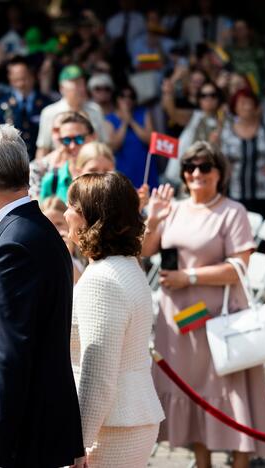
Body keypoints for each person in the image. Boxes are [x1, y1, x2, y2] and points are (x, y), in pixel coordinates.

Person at [0, 124, 84, 468]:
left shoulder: (15, 244)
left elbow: (10, 357)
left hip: (8, 442)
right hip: (28, 433)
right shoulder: (35, 230)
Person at [144, 141, 265, 468]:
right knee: (191, 390)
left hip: (218, 316)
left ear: (220, 172)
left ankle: (240, 462)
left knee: (227, 390)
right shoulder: (172, 207)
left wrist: (188, 277)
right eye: (190, 167)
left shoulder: (233, 211)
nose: (196, 173)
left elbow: (239, 268)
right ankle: (202, 462)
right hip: (178, 319)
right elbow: (146, 251)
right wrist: (154, 219)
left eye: (205, 167)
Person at [65, 172, 165, 467]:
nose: (66, 213)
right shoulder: (126, 266)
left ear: (89, 217)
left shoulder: (102, 279)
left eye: (72, 206)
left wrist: (77, 443)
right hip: (123, 420)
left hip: (110, 428)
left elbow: (98, 373)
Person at [219, 88, 265, 219]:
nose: (246, 106)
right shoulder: (227, 130)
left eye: (249, 102)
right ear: (235, 107)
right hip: (236, 191)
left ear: (255, 106)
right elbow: (221, 157)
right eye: (242, 103)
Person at [35, 65, 108, 159]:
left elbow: (105, 145)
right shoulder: (50, 112)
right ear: (62, 88)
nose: (81, 88)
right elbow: (43, 149)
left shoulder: (95, 110)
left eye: (82, 83)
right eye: (76, 84)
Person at [0, 56, 49, 159]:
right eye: (16, 80)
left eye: (24, 79)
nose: (21, 84)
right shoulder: (3, 104)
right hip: (13, 161)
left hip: (40, 159)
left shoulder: (45, 103)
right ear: (10, 80)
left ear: (33, 76)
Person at [38, 111, 96, 202]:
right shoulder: (51, 180)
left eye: (79, 139)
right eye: (66, 140)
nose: (72, 146)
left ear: (93, 137)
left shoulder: (105, 173)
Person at [106, 84, 155, 189]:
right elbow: (115, 145)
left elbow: (150, 140)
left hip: (144, 168)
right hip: (123, 169)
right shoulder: (109, 119)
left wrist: (131, 121)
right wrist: (124, 122)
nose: (127, 99)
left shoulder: (143, 113)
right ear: (116, 99)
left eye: (131, 96)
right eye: (123, 96)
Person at [40, 196, 84, 284]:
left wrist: (67, 255)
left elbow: (83, 287)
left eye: (59, 224)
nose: (54, 229)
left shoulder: (83, 254)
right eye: (49, 224)